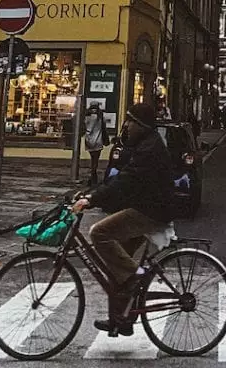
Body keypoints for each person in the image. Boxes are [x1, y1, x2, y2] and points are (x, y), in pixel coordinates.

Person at [72, 103, 174, 337]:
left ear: (141, 125)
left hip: (150, 212)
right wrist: (95, 194)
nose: (126, 125)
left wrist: (92, 199)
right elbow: (122, 182)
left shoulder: (149, 149)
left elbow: (125, 180)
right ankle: (122, 319)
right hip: (148, 207)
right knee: (119, 266)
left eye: (130, 121)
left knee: (99, 233)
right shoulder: (145, 144)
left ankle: (139, 277)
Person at [84, 103, 110, 185]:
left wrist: (87, 138)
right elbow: (104, 129)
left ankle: (92, 177)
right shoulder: (101, 117)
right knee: (95, 160)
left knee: (92, 160)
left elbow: (89, 130)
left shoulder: (90, 117)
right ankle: (94, 177)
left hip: (91, 141)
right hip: (99, 141)